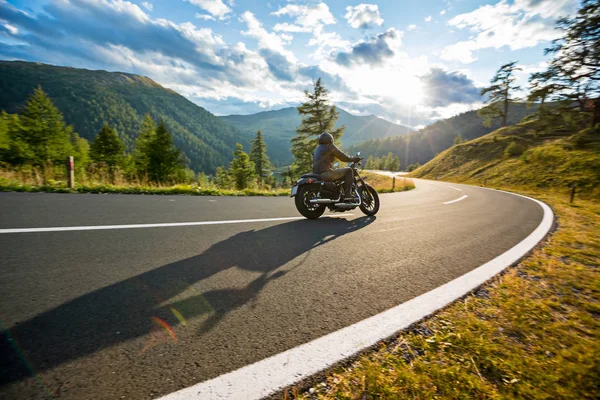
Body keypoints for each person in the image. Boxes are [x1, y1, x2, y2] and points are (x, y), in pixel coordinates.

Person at [312, 132, 361, 202]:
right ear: (330, 140)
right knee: (349, 170)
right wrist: (353, 159)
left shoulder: (317, 149)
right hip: (325, 173)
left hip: (316, 174)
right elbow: (342, 156)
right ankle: (348, 194)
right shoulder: (330, 146)